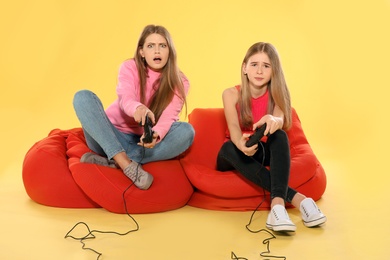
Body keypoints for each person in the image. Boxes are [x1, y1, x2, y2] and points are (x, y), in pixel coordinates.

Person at [216, 42, 326, 232]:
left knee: (280, 136)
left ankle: (277, 207)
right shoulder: (230, 94)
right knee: (227, 148)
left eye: (266, 66)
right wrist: (241, 144)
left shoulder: (279, 96)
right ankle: (299, 199)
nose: (259, 71)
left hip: (259, 151)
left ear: (273, 71)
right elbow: (233, 127)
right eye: (254, 64)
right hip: (235, 153)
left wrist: (273, 119)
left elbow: (279, 119)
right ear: (244, 68)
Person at [73, 25, 194, 190]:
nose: (157, 51)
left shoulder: (180, 81)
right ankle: (126, 164)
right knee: (82, 97)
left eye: (162, 46)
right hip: (109, 138)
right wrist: (137, 108)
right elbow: (125, 97)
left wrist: (155, 135)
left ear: (169, 51)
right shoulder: (129, 67)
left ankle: (117, 162)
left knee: (187, 131)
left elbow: (169, 116)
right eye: (150, 46)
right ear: (141, 52)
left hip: (142, 144)